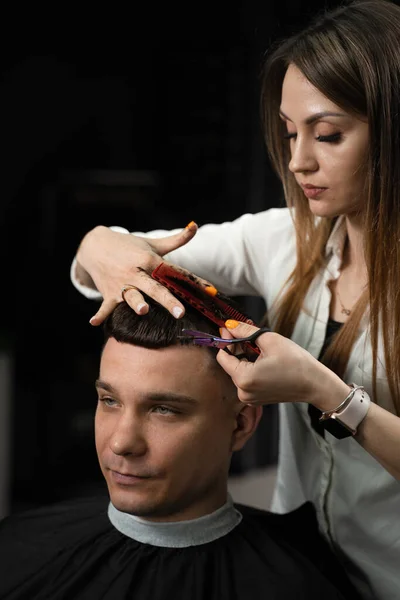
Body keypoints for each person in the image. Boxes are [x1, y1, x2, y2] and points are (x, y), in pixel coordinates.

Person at [70, 1, 400, 598]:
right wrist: (99, 244)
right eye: (289, 131)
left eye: (327, 134)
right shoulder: (284, 241)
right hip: (300, 570)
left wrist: (326, 391)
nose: (298, 160)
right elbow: (115, 263)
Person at [0, 296, 359, 600]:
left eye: (163, 410)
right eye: (109, 400)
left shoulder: (299, 584)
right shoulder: (15, 551)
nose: (122, 443)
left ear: (241, 424)